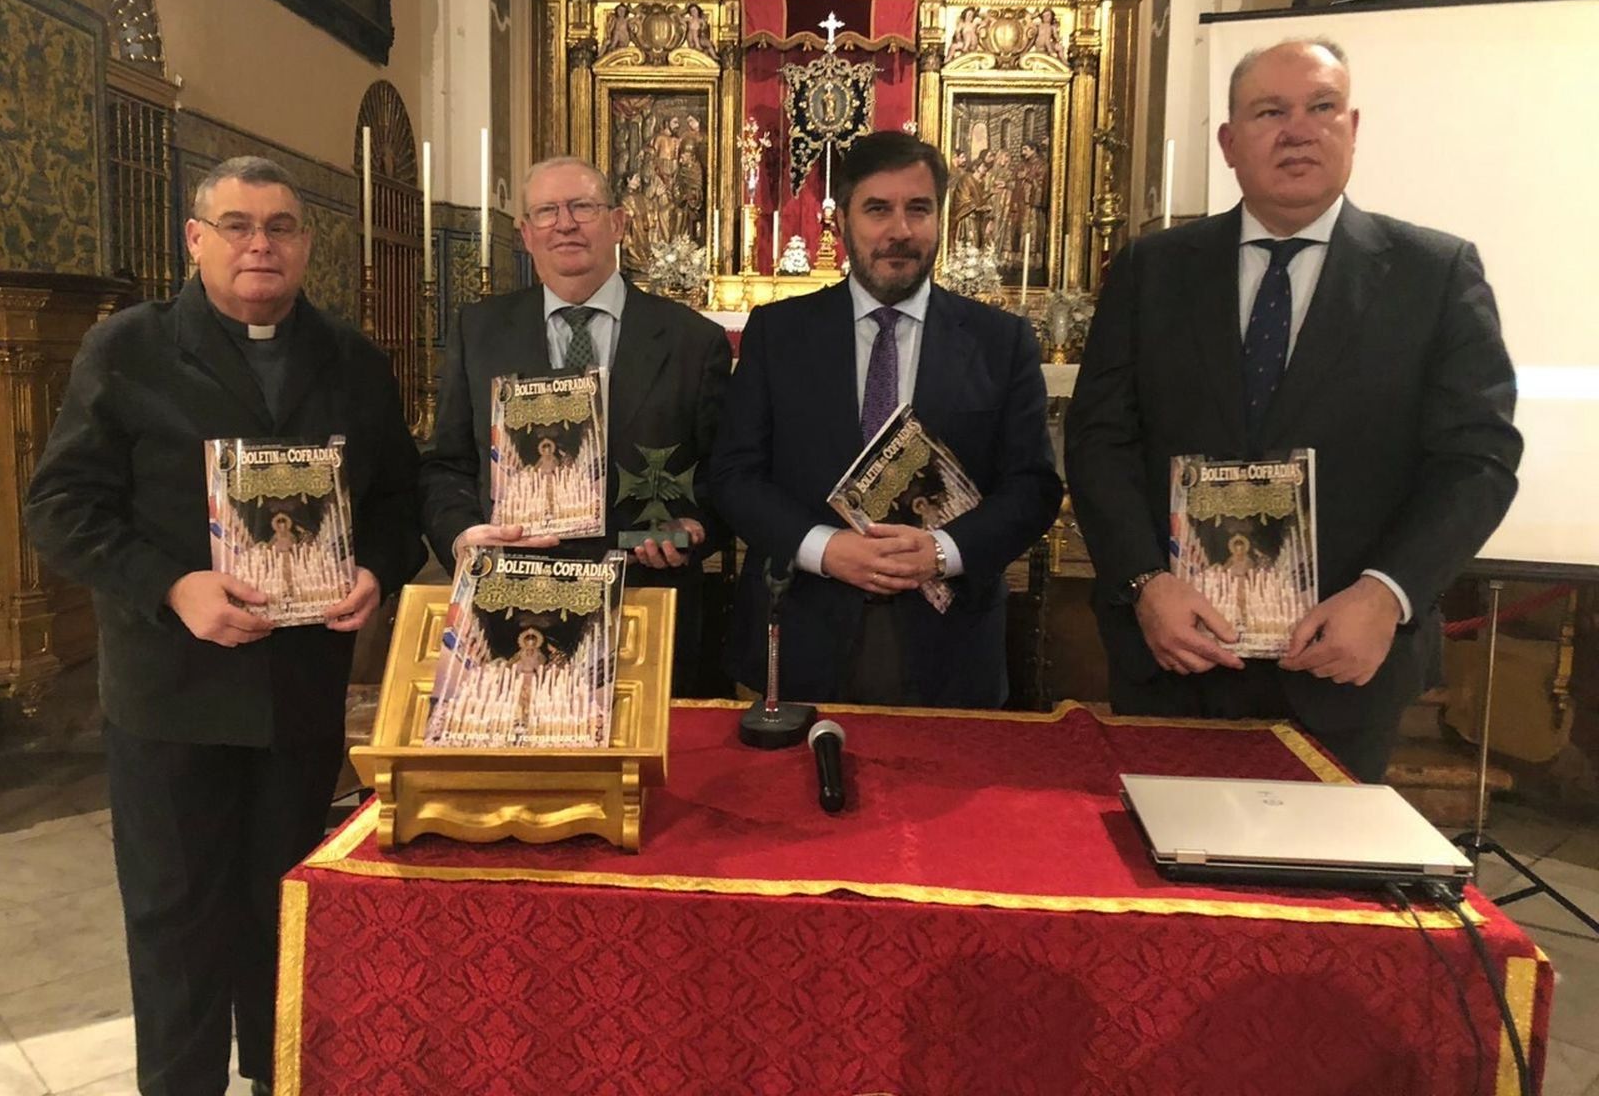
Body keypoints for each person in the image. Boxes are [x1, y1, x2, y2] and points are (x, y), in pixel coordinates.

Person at [25, 156, 425, 1096]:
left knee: (285, 910)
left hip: (300, 692)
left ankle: (280, 1076)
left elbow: (399, 503)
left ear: (307, 244)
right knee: (177, 921)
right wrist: (173, 587)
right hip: (173, 692)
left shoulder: (353, 359)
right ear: (195, 238)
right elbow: (61, 507)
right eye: (237, 225)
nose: (260, 245)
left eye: (281, 227)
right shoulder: (128, 349)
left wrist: (375, 570)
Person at [1064, 39, 1522, 781]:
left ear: (1353, 128)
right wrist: (1146, 584)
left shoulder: (1433, 274)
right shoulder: (1153, 268)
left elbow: (1478, 460)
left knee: (1320, 858)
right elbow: (1099, 439)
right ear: (1229, 142)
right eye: (1270, 112)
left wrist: (1387, 594)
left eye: (1321, 107)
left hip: (1343, 659)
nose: (1298, 131)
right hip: (1175, 651)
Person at [710, 131, 1062, 707]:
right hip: (802, 624)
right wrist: (825, 548)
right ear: (842, 221)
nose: (900, 230)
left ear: (940, 218)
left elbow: (1032, 488)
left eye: (918, 209)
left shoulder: (1001, 341)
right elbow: (734, 476)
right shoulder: (779, 333)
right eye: (878, 209)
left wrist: (943, 551)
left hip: (951, 639)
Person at [421, 156, 731, 693]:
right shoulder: (480, 331)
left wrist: (694, 526)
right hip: (514, 604)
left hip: (646, 601)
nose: (564, 224)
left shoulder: (692, 339)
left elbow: (727, 471)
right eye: (546, 211)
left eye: (582, 207)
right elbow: (446, 465)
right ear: (525, 234)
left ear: (618, 223)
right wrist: (462, 534)